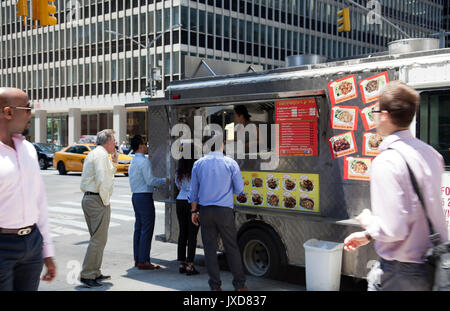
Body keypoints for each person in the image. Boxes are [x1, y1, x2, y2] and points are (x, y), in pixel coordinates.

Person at [343, 81, 448, 291]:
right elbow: (411, 213)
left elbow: (394, 229)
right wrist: (368, 236)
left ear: (384, 115)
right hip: (434, 262)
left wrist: (367, 220)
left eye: (375, 111)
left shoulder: (388, 160)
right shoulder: (432, 154)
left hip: (402, 272)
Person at [0, 87, 56, 290]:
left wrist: (47, 251)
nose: (30, 114)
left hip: (32, 244)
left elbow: (39, 202)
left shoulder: (29, 150)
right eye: (27, 108)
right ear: (8, 112)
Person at [188, 135, 248, 291]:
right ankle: (239, 285)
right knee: (231, 247)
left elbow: (193, 192)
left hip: (205, 211)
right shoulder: (230, 163)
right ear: (222, 144)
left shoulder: (198, 164)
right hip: (224, 211)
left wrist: (194, 211)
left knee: (209, 249)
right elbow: (239, 189)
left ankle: (215, 286)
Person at [79, 129, 118, 288]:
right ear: (107, 141)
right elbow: (103, 180)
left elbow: (106, 174)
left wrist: (114, 162)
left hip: (91, 198)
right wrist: (105, 201)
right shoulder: (101, 155)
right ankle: (88, 274)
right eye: (114, 140)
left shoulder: (98, 154)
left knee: (98, 239)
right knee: (98, 240)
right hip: (96, 199)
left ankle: (94, 272)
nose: (115, 143)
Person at [129, 135, 169, 270]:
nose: (146, 146)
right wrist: (164, 181)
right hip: (144, 196)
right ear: (140, 145)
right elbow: (150, 181)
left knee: (139, 228)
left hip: (135, 196)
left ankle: (138, 258)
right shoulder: (144, 162)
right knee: (147, 228)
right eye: (145, 144)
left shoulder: (133, 161)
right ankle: (144, 260)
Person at [175, 143, 200, 276]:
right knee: (192, 235)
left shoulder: (179, 170)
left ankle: (182, 263)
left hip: (180, 201)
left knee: (182, 232)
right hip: (193, 203)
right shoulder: (196, 168)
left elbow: (178, 186)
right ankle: (190, 265)